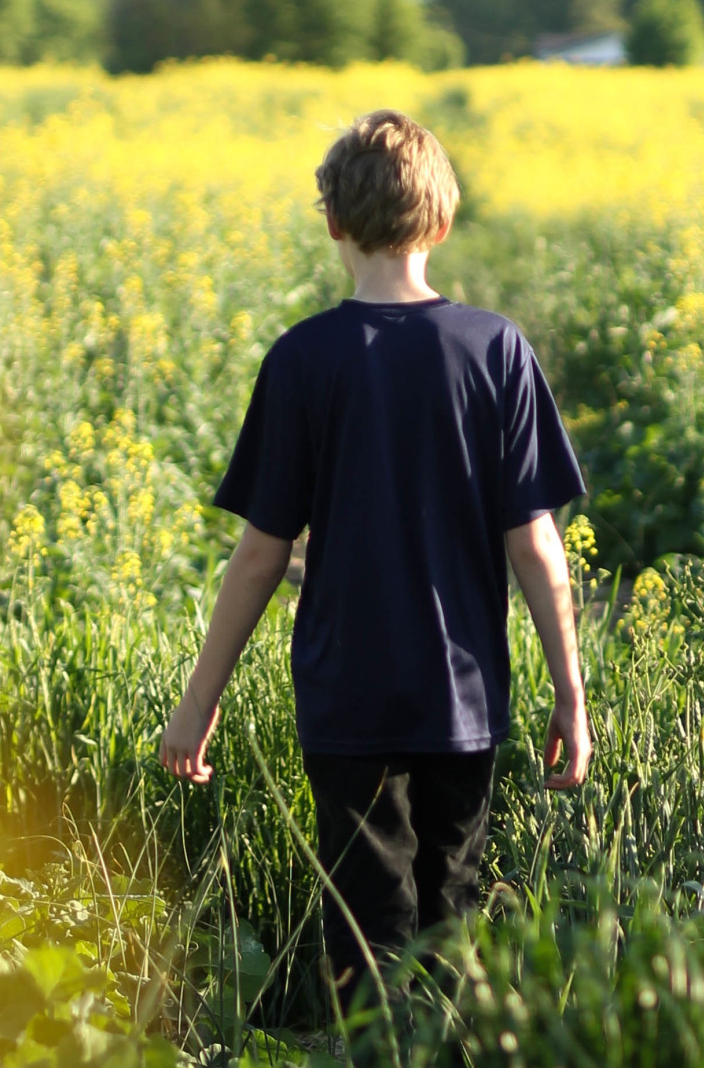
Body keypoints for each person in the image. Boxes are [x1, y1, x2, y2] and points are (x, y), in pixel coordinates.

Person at [158, 107, 591, 1020]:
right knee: (452, 918)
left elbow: (259, 559)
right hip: (463, 698)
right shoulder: (496, 350)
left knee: (368, 929)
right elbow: (535, 545)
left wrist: (200, 702)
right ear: (442, 222)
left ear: (333, 224)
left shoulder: (303, 360)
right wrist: (569, 694)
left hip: (346, 697)